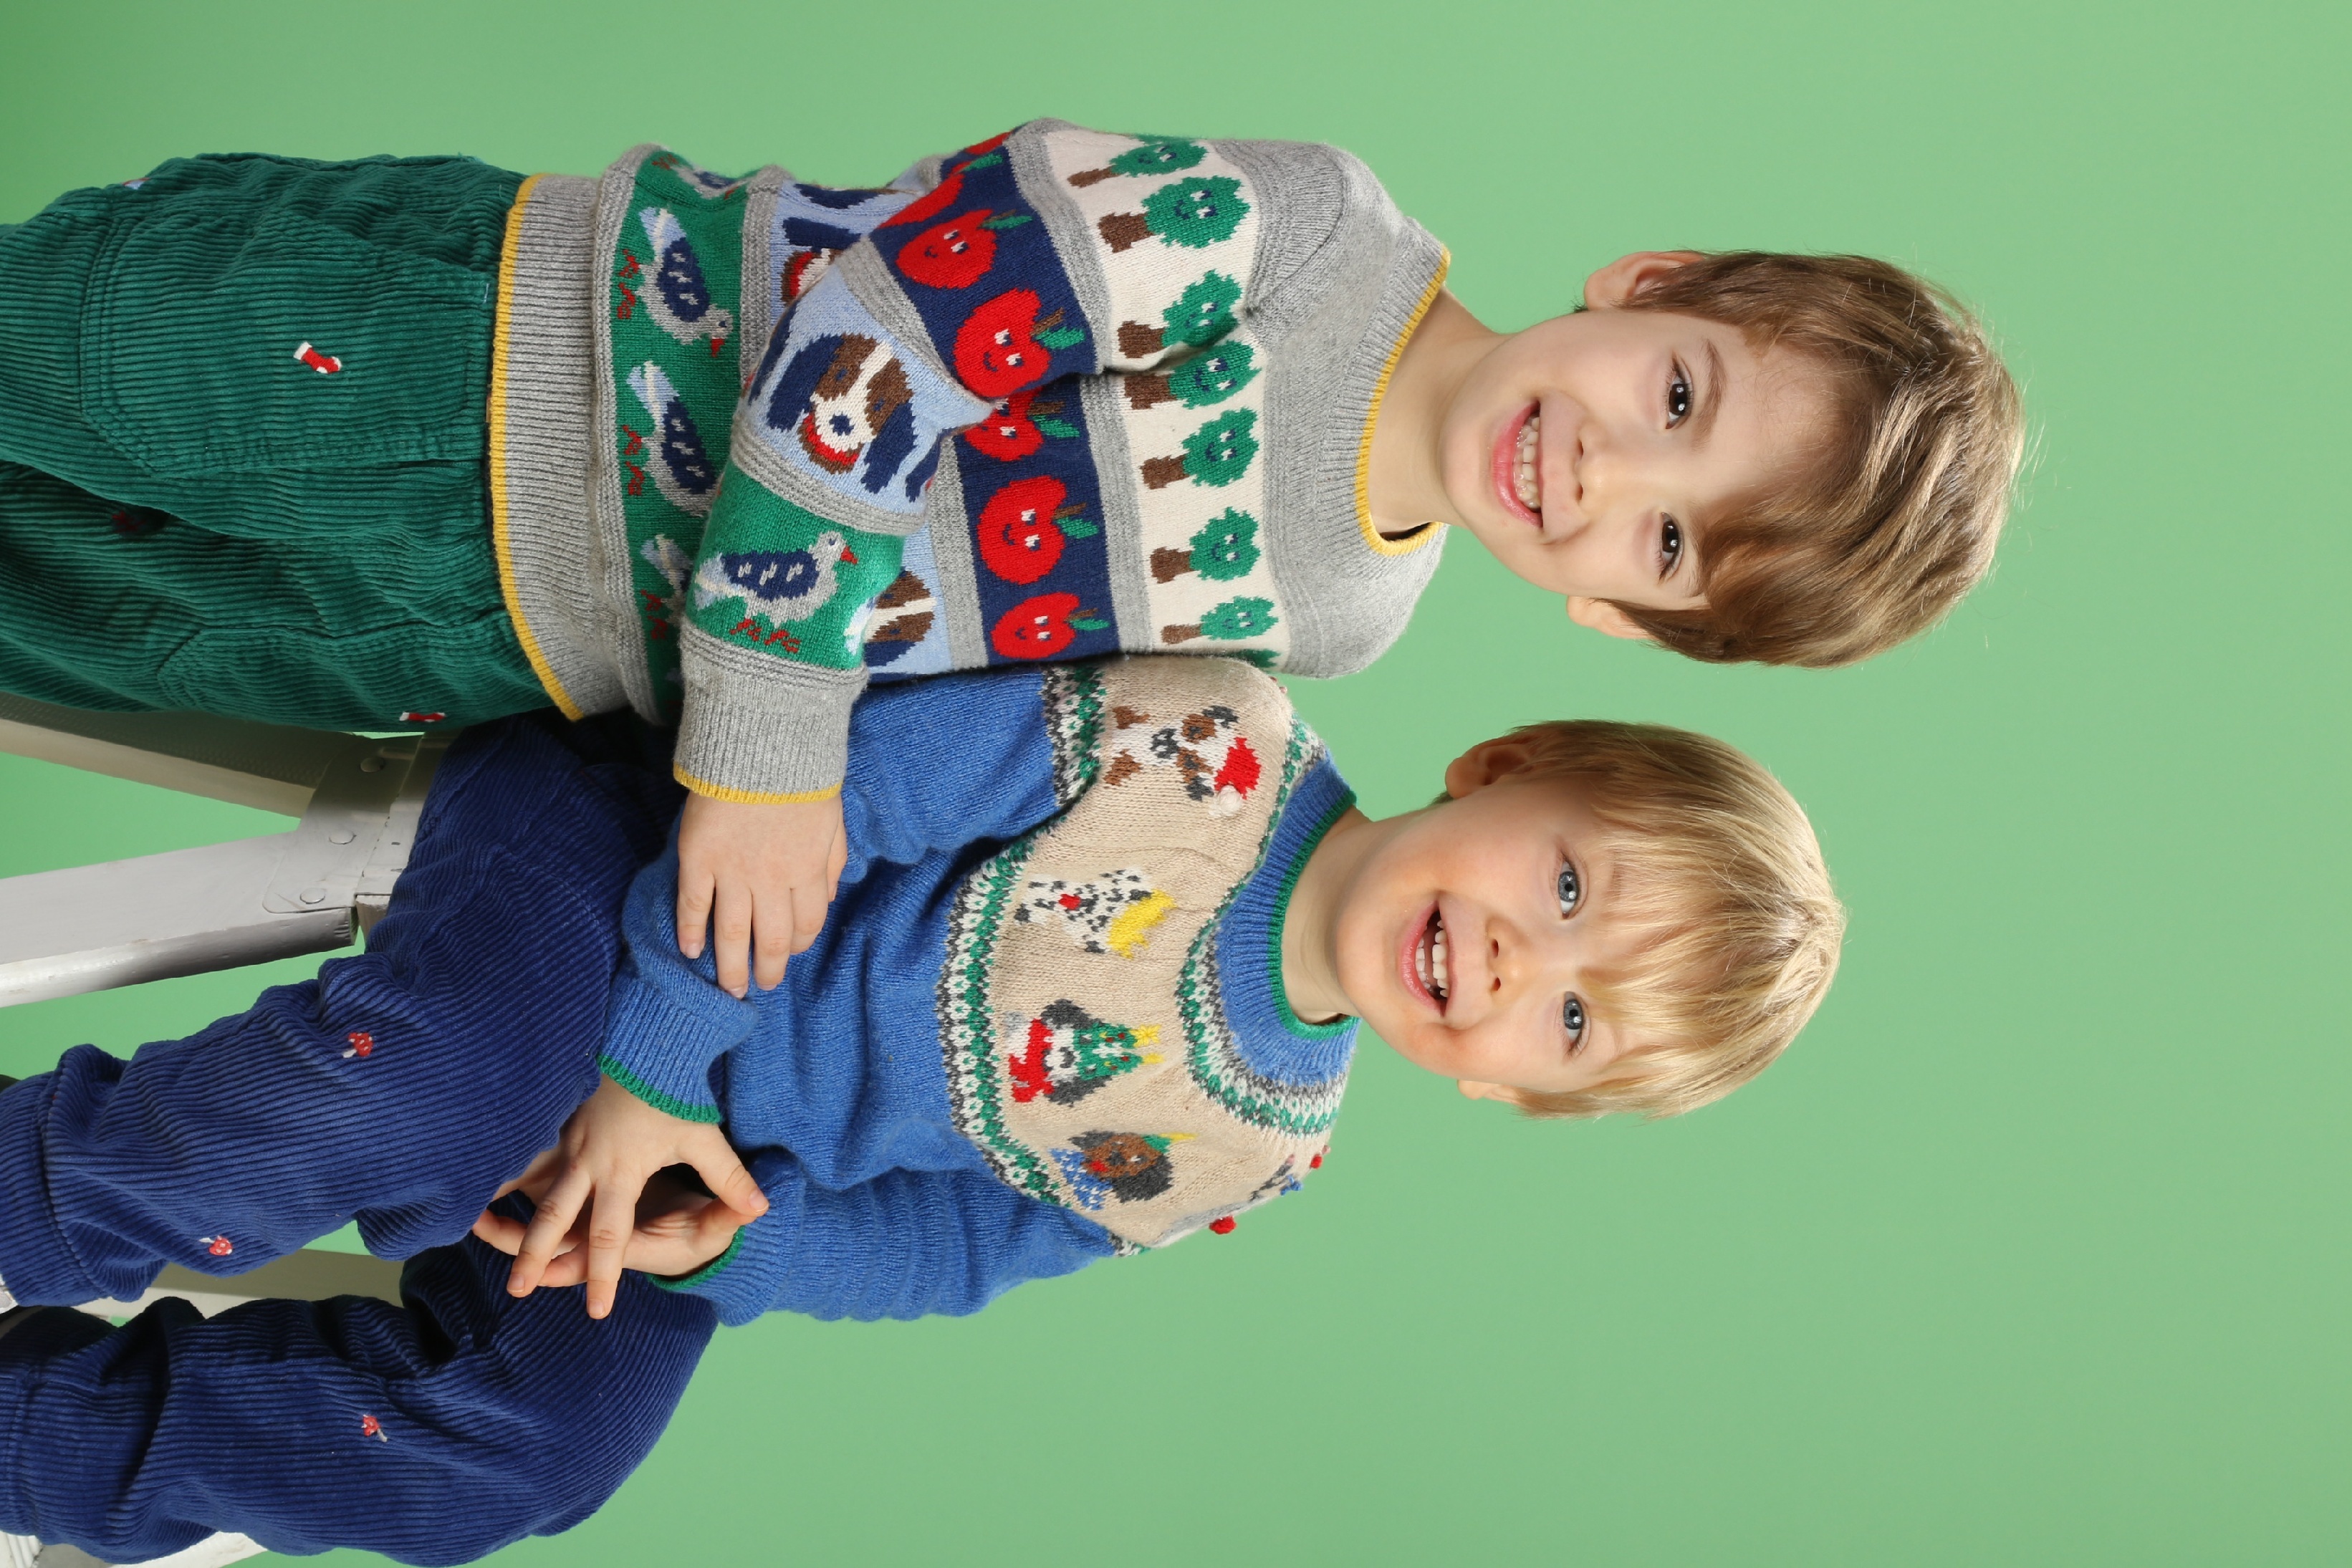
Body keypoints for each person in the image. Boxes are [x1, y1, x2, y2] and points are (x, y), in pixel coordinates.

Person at [0, 123, 2012, 996]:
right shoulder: (1313, 238)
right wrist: (761, 750)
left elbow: (979, 705)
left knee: (56, 618)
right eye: (1675, 393)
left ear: (1617, 614)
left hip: (501, 632)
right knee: (58, 353)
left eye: (1662, 534)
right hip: (496, 361)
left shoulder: (1341, 618)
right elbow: (885, 327)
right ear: (1651, 283)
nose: (1597, 469)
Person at [0, 655, 1839, 1562]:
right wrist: (650, 1070)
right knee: (413, 1098)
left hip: (683, 1171)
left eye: (1572, 1021)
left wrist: (719, 1240)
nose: (1519, 961)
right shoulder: (1205, 749)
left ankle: (24, 1444)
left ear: (1509, 1092)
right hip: (615, 864)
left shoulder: (1252, 1148)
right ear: (1508, 766)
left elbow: (960, 1244)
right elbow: (824, 804)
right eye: (1569, 886)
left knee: (538, 1451)